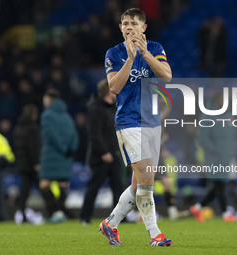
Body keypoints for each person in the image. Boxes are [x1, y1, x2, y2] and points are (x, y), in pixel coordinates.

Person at [100, 8, 172, 246]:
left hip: (152, 122)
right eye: (125, 23)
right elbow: (114, 87)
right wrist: (131, 59)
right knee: (147, 177)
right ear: (120, 28)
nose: (129, 26)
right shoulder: (114, 53)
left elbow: (167, 76)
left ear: (143, 28)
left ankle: (110, 224)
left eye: (133, 23)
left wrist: (145, 54)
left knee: (138, 182)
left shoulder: (156, 48)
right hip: (129, 121)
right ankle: (155, 234)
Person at [80, 79, 124, 225]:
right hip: (100, 157)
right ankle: (85, 217)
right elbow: (94, 134)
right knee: (94, 187)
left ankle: (120, 218)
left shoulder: (113, 108)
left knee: (118, 188)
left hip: (115, 155)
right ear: (108, 90)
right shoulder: (96, 108)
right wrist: (104, 152)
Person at [190, 92, 237, 222]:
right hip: (214, 157)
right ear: (217, 99)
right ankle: (224, 213)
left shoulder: (229, 115)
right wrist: (215, 151)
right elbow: (202, 138)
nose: (225, 101)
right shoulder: (207, 115)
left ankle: (198, 207)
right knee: (220, 184)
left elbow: (232, 136)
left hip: (226, 156)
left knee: (219, 184)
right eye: (223, 98)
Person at [39, 88, 78, 223]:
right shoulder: (66, 115)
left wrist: (61, 148)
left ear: (49, 100)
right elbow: (74, 134)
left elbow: (50, 135)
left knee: (44, 184)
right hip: (65, 156)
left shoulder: (47, 115)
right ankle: (61, 212)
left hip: (52, 155)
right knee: (62, 184)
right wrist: (70, 149)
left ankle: (56, 212)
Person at [13, 104, 41, 223]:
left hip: (22, 164)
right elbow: (32, 147)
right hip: (32, 165)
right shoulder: (32, 128)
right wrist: (36, 162)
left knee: (24, 192)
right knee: (44, 188)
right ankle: (55, 211)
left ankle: (22, 214)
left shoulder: (18, 128)